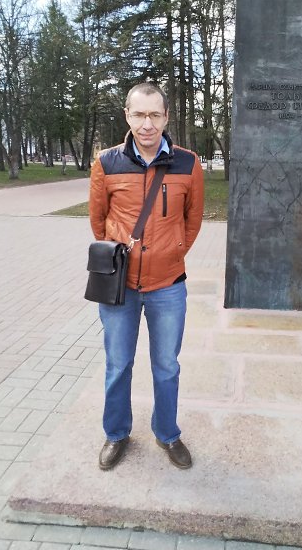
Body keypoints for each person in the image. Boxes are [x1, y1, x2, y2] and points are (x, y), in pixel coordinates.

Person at [89, 83, 204, 471]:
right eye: (139, 114)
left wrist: (172, 253)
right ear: (127, 115)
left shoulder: (188, 163)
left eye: (155, 114)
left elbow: (192, 221)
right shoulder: (107, 162)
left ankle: (167, 433)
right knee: (118, 364)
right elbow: (98, 220)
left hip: (168, 286)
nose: (147, 124)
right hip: (119, 287)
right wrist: (120, 258)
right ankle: (116, 433)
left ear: (166, 117)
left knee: (167, 366)